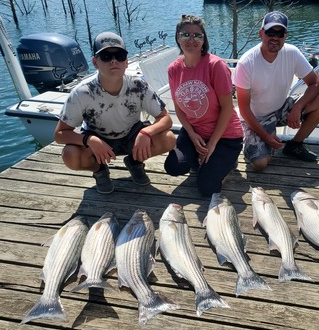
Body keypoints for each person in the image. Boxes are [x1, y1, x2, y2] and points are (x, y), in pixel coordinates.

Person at [54, 31, 176, 194]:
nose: (113, 61)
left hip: (132, 135)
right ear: (95, 62)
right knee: (70, 155)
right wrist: (89, 140)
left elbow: (165, 119)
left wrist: (146, 133)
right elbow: (60, 134)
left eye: (119, 55)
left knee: (168, 139)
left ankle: (135, 162)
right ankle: (99, 170)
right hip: (98, 140)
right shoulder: (81, 93)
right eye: (105, 56)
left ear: (126, 61)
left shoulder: (138, 85)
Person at [233, 11, 319, 171]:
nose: (275, 37)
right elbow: (244, 110)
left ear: (286, 35)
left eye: (280, 33)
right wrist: (266, 137)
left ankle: (295, 145)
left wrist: (298, 108)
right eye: (270, 32)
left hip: (280, 109)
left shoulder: (292, 53)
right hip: (254, 119)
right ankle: (255, 142)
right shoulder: (247, 63)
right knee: (260, 164)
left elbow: (316, 83)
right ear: (261, 33)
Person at [164, 15, 243, 197]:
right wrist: (191, 135)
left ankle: (227, 162)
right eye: (185, 35)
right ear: (177, 37)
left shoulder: (215, 66)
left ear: (203, 39)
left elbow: (227, 108)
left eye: (197, 36)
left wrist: (212, 143)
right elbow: (179, 108)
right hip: (196, 132)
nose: (191, 40)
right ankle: (202, 160)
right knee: (173, 166)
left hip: (224, 136)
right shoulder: (173, 69)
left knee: (207, 188)